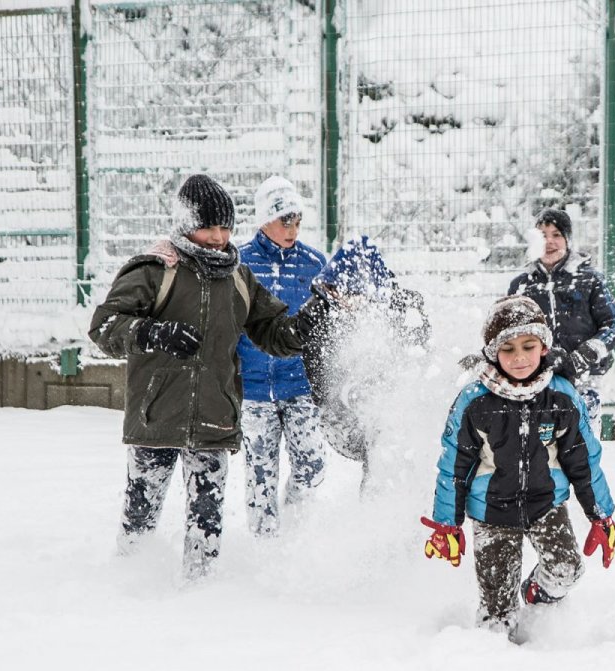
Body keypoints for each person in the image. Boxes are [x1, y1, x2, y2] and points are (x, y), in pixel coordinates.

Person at [89, 174, 330, 580]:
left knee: (207, 523)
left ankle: (200, 594)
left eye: (225, 227)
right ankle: (128, 586)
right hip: (156, 417)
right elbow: (105, 325)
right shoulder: (156, 270)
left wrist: (308, 320)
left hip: (214, 420)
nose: (219, 238)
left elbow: (274, 333)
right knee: (140, 516)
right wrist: (151, 333)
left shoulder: (238, 277)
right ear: (186, 225)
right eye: (208, 227)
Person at [421, 295, 615, 638]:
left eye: (529, 346)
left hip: (546, 503)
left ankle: (536, 596)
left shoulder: (561, 396)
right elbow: (454, 466)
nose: (519, 357)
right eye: (508, 349)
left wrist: (600, 514)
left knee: (566, 570)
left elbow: (584, 460)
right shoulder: (475, 401)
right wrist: (447, 523)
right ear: (492, 353)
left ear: (544, 347)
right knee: (497, 615)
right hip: (491, 511)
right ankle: (494, 650)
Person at [236, 176, 331, 537]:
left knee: (312, 463)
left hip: (299, 386)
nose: (293, 229)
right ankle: (265, 547)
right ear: (264, 219)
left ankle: (294, 524)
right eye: (284, 220)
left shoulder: (314, 263)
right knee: (260, 474)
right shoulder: (240, 264)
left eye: (297, 220)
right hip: (254, 390)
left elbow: (325, 327)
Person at [300, 235, 431, 493]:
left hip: (387, 406)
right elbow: (316, 373)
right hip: (339, 415)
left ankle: (386, 497)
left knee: (385, 437)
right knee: (378, 437)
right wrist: (343, 395)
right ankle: (376, 497)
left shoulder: (401, 308)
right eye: (341, 292)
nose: (349, 301)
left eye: (357, 294)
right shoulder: (317, 314)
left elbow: (418, 357)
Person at [508, 208, 615, 422]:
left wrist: (588, 352)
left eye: (557, 235)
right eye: (543, 235)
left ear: (568, 240)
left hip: (585, 377)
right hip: (539, 378)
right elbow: (509, 333)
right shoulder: (522, 286)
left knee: (581, 434)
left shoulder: (589, 280)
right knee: (543, 438)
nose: (549, 242)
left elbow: (614, 323)